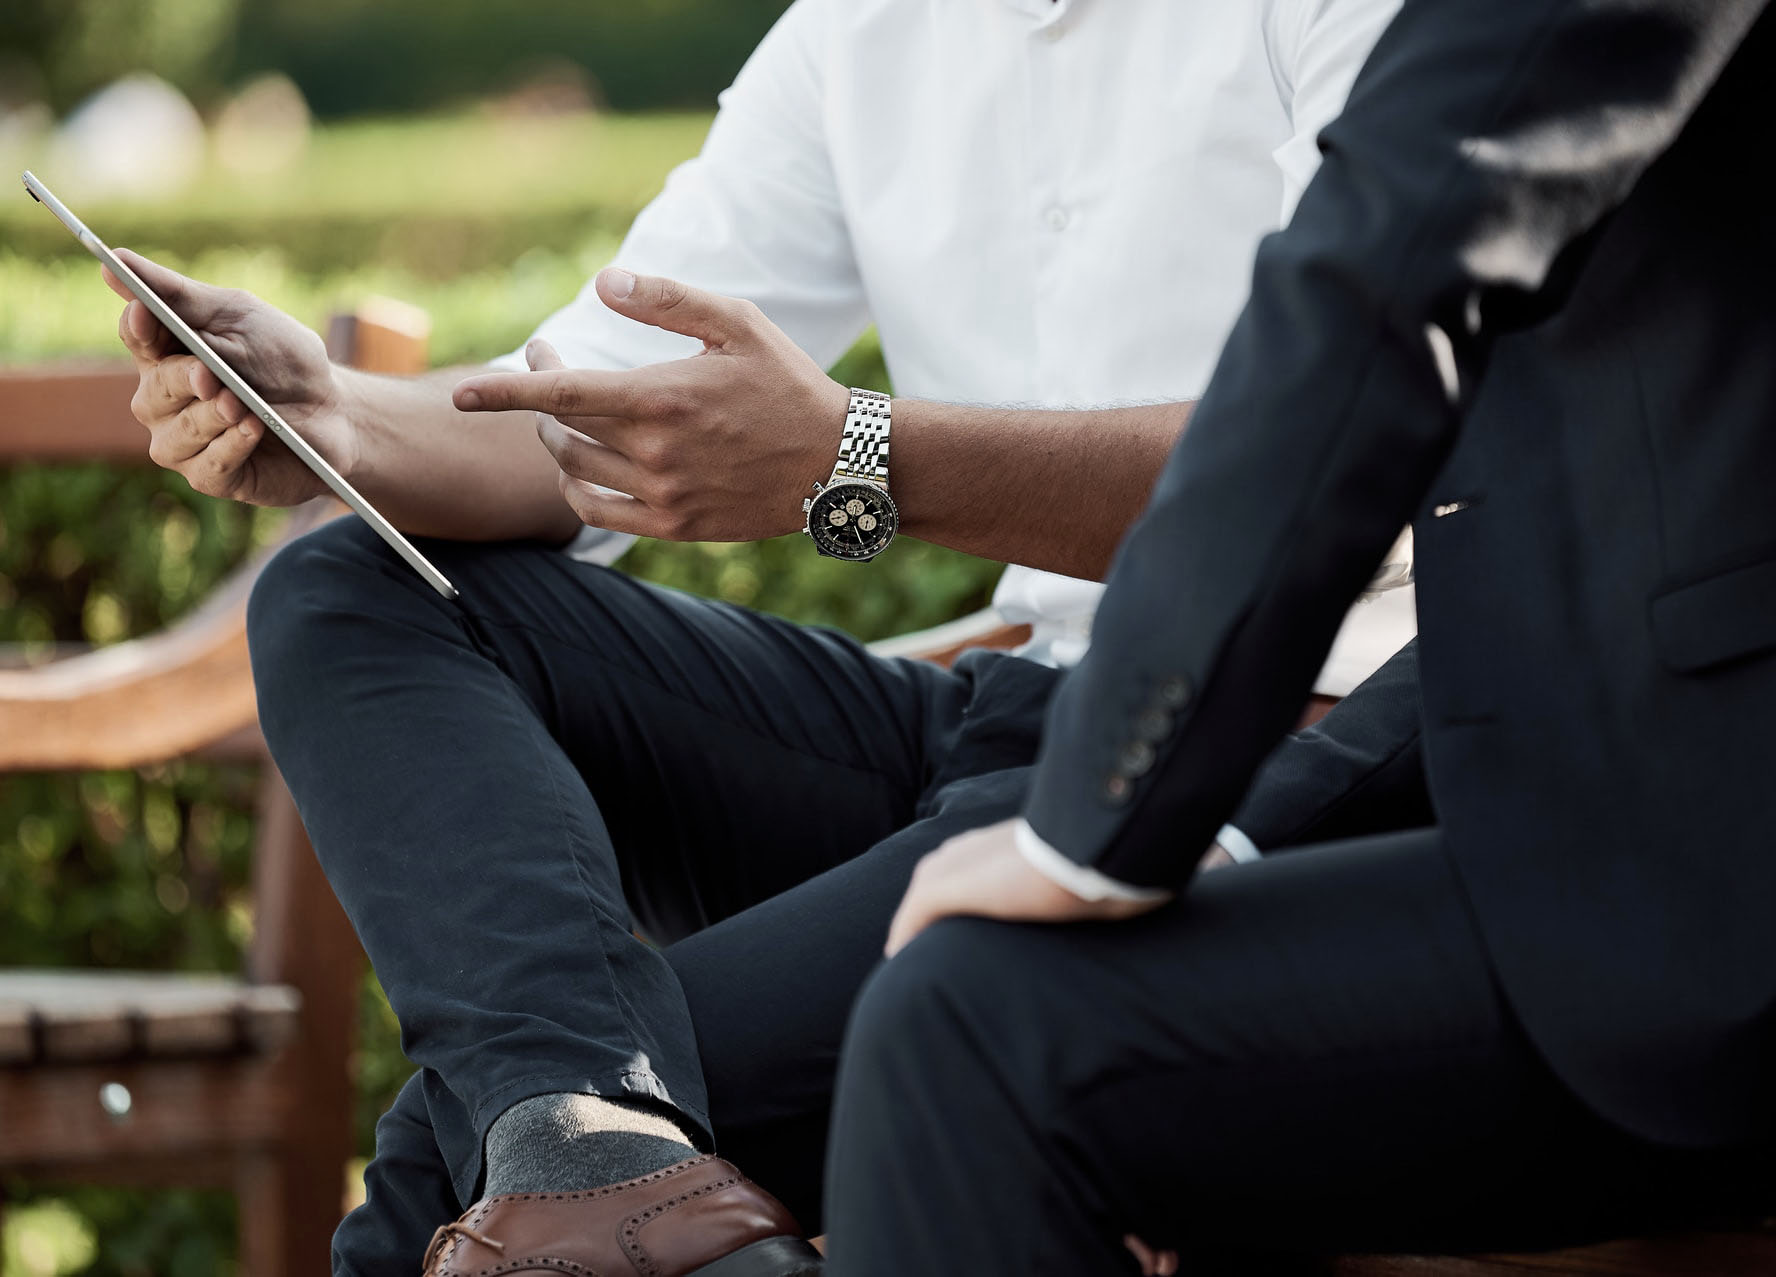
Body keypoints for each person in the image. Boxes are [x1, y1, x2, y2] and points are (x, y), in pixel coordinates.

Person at [109, 1, 1412, 1271]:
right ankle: (591, 1135)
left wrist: (859, 456)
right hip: (1006, 716)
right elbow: (579, 417)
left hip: (1279, 750)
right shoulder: (862, 32)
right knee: (350, 591)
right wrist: (332, 418)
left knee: (452, 1173)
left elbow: (1332, 460)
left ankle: (585, 1146)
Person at [711, 0, 1776, 1269]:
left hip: (1703, 874)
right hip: (1590, 821)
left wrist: (1098, 828)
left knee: (976, 1026)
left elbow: (1377, 285)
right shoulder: (853, 38)